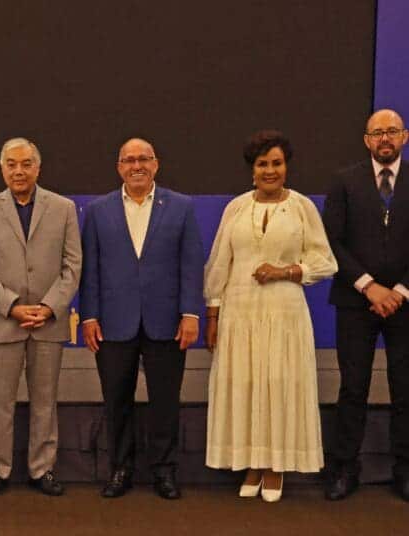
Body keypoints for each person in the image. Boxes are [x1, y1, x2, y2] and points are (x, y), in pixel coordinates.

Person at [204, 130, 337, 502]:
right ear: (252, 170)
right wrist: (213, 316)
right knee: (245, 385)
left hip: (284, 315)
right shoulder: (236, 208)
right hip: (239, 314)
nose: (270, 170)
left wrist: (285, 271)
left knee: (279, 384)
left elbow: (325, 262)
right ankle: (252, 463)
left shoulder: (302, 207)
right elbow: (219, 263)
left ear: (286, 166)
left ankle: (275, 467)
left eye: (276, 163)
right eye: (262, 164)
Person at [80, 138, 204, 499]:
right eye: (129, 160)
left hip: (166, 322)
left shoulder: (181, 207)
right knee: (116, 400)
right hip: (113, 322)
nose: (137, 166)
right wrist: (89, 316)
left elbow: (191, 264)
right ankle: (120, 469)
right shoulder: (99, 210)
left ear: (156, 164)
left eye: (144, 159)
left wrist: (190, 313)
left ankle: (164, 471)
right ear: (119, 167)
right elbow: (90, 269)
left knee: (165, 400)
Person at [0, 137, 81, 497]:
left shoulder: (63, 208)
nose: (19, 171)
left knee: (45, 402)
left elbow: (72, 267)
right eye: (11, 164)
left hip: (49, 323)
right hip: (4, 321)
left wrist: (49, 307)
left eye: (26, 164)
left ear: (38, 167)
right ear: (2, 168)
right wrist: (13, 306)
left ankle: (42, 468)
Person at [322, 109, 409, 501]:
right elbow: (332, 241)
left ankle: (404, 470)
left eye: (392, 131)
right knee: (352, 387)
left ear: (404, 136)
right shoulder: (345, 181)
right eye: (377, 133)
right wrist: (369, 287)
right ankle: (344, 468)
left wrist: (399, 292)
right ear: (366, 140)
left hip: (406, 303)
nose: (384, 138)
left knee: (405, 388)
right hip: (355, 301)